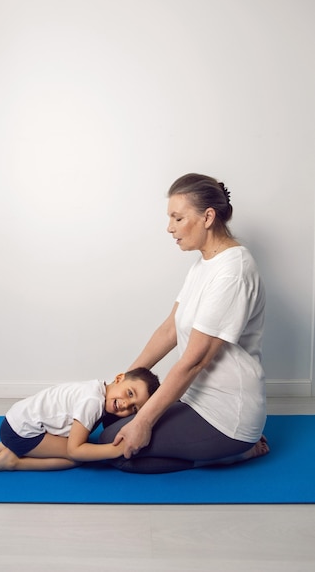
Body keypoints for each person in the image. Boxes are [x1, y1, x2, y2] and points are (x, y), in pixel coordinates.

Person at [99, 173, 270, 473]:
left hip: (227, 414)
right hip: (195, 399)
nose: (169, 228)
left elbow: (194, 361)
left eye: (177, 218)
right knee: (109, 423)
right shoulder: (204, 263)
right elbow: (169, 330)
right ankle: (211, 450)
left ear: (208, 217)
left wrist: (144, 422)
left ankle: (233, 454)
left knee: (112, 448)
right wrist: (127, 379)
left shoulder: (232, 272)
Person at [0, 367, 159, 471]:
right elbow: (75, 450)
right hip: (21, 432)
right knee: (77, 460)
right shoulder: (93, 402)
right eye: (129, 393)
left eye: (134, 408)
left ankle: (6, 444)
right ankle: (13, 462)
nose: (126, 404)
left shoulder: (97, 388)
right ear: (119, 378)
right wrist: (115, 450)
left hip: (15, 418)